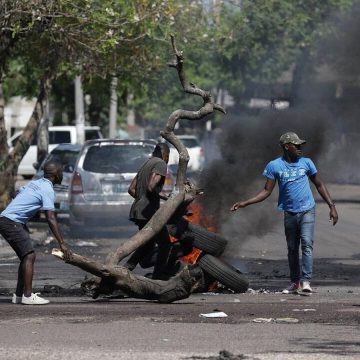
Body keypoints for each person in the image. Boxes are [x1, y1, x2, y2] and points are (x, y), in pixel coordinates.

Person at [230, 132, 338, 294]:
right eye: (297, 145)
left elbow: (319, 185)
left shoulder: (307, 163)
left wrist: (332, 206)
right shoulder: (274, 166)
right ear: (287, 147)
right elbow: (266, 191)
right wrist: (246, 202)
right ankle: (295, 282)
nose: (300, 148)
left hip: (308, 209)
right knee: (292, 248)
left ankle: (306, 281)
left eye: (301, 145)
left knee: (307, 244)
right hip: (290, 212)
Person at [0, 161, 72, 305]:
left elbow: (16, 193)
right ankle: (28, 295)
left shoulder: (36, 183)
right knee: (29, 255)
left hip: (7, 219)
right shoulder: (47, 190)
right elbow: (51, 218)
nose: (62, 175)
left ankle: (19, 295)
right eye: (61, 172)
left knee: (25, 256)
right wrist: (62, 243)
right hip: (11, 222)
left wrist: (24, 211)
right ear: (56, 174)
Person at [124, 142, 173, 280]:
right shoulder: (161, 164)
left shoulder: (147, 163)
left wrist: (141, 200)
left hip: (138, 211)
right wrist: (167, 197)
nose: (168, 160)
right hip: (148, 213)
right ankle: (158, 278)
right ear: (165, 155)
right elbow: (151, 186)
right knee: (165, 244)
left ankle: (125, 269)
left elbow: (131, 188)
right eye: (168, 157)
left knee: (146, 244)